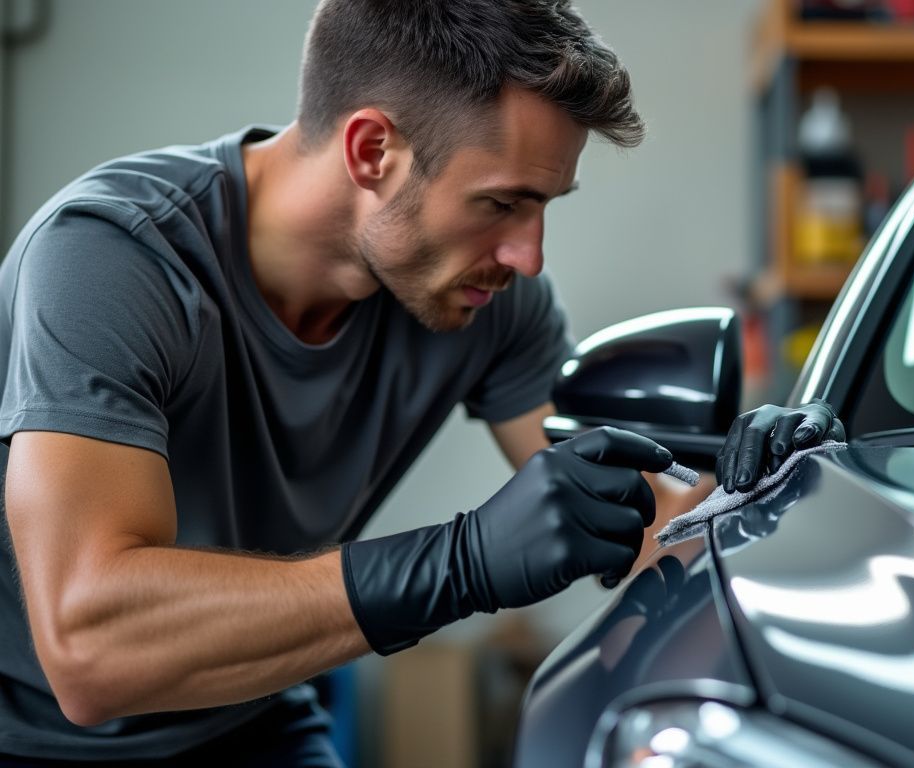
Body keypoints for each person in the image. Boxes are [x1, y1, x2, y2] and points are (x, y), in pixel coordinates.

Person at [0, 0, 844, 764]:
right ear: (374, 151)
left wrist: (770, 500)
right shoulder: (115, 260)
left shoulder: (488, 300)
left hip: (247, 715)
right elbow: (91, 652)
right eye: (501, 204)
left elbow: (637, 520)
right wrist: (461, 563)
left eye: (545, 206)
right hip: (37, 741)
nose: (529, 255)